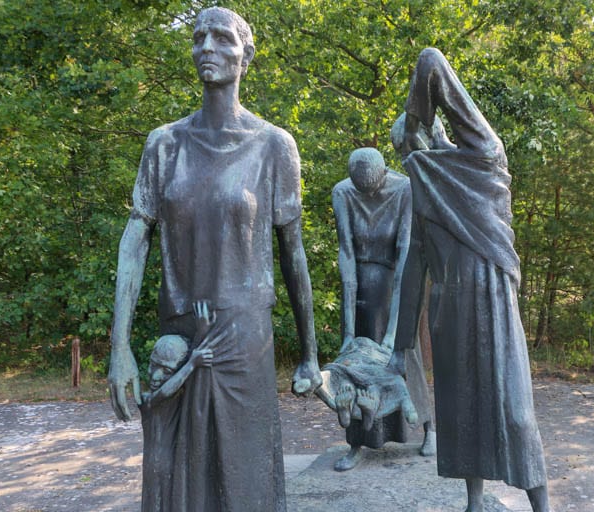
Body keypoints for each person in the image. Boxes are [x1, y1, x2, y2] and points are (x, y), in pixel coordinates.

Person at [107, 7, 321, 511]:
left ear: (246, 55)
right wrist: (119, 346)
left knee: (245, 475)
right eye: (199, 37)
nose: (207, 47)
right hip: (179, 338)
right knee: (180, 478)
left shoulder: (273, 146)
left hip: (245, 338)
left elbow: (294, 255)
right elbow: (134, 238)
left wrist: (311, 353)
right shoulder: (165, 144)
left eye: (222, 38)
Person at [389, 48, 551, 512]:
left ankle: (542, 506)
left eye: (411, 146)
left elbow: (430, 62)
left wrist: (413, 116)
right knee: (460, 411)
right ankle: (474, 502)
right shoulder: (422, 190)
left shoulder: (484, 160)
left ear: (435, 130)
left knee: (516, 412)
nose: (409, 158)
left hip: (494, 301)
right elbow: (412, 266)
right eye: (403, 153)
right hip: (449, 309)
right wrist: (402, 345)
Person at [329, 147, 435, 472]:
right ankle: (359, 441)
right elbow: (346, 253)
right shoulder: (343, 193)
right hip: (361, 287)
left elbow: (405, 252)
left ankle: (428, 427)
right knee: (357, 364)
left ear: (383, 176)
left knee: (406, 353)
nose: (369, 196)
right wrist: (348, 332)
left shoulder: (403, 188)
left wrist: (393, 330)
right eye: (363, 191)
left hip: (397, 281)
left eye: (373, 190)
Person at [139, 301, 227, 511]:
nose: (156, 375)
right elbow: (166, 391)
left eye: (166, 370)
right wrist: (191, 365)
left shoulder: (182, 392)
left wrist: (203, 332)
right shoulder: (145, 399)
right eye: (154, 365)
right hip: (156, 462)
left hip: (175, 463)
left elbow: (193, 378)